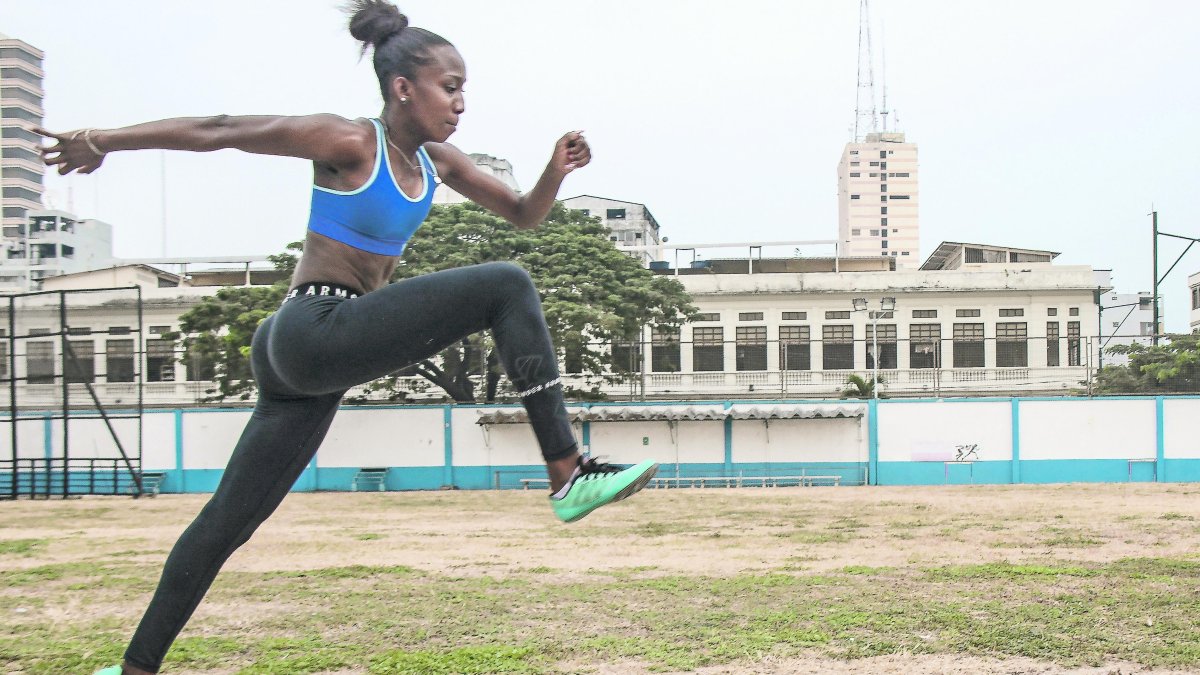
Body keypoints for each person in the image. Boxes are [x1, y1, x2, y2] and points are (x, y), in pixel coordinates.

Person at [37, 3, 658, 673]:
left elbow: (522, 213)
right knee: (505, 285)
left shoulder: (439, 161)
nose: (461, 103)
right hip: (314, 328)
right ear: (403, 88)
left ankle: (132, 669)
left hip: (307, 357)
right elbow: (220, 130)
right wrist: (99, 139)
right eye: (450, 86)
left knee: (229, 521)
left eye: (464, 89)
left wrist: (555, 171)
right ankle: (567, 472)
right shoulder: (348, 141)